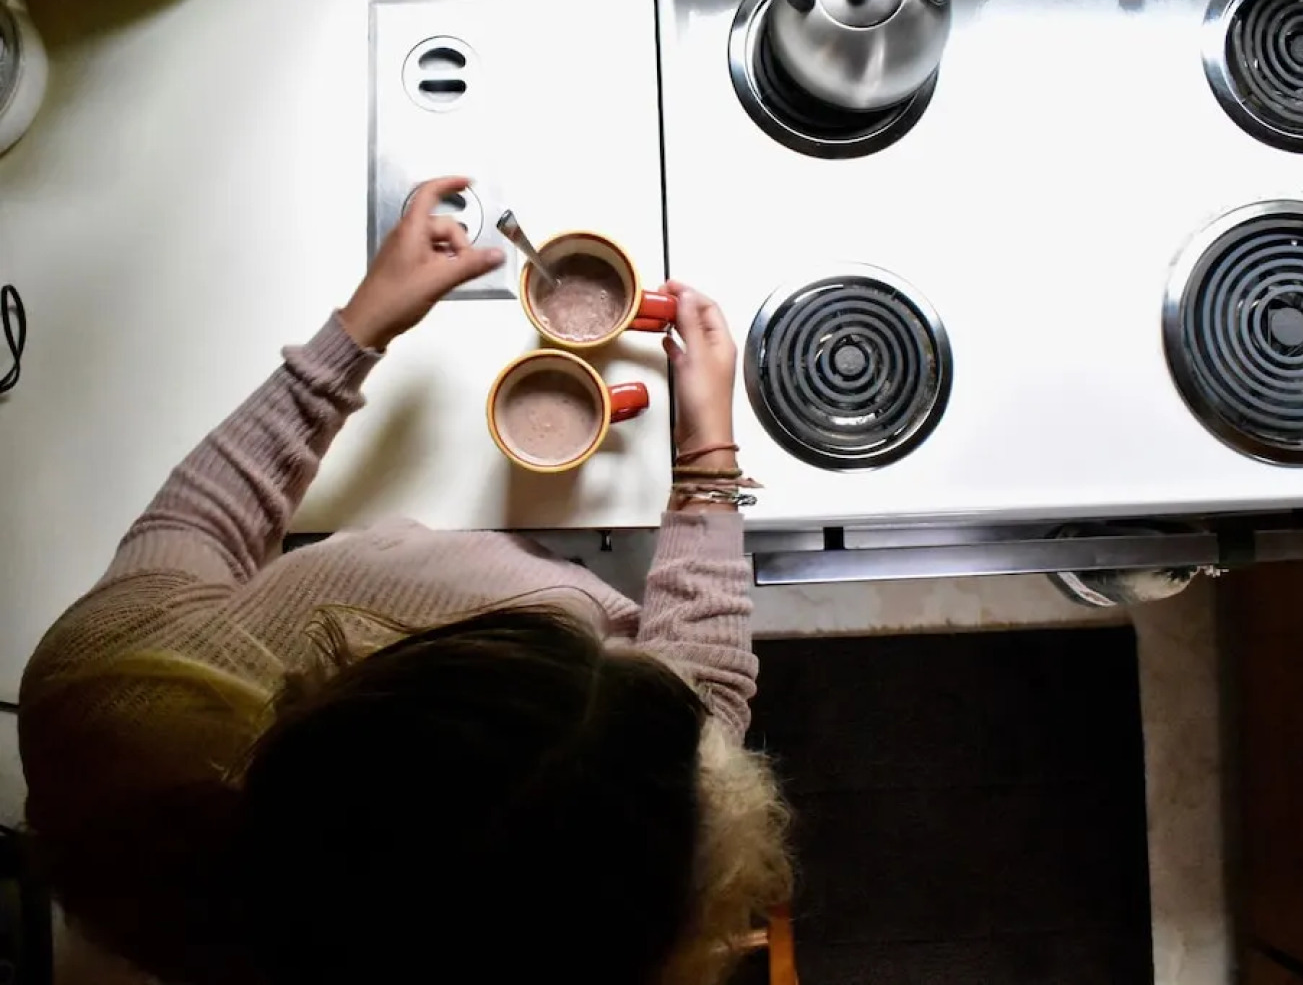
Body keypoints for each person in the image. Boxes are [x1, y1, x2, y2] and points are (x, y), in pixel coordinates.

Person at [17, 177, 791, 985]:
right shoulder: (624, 866)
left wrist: (354, 334)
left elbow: (197, 523)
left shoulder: (115, 695)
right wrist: (708, 460)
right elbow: (704, 703)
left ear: (347, 700)